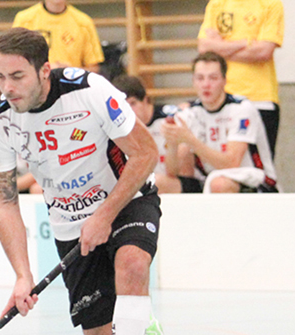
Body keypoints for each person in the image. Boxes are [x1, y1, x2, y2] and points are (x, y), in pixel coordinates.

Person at [0, 28, 165, 335]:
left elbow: (146, 153)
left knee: (133, 264)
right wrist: (22, 275)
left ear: (44, 70)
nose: (7, 88)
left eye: (17, 76)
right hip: (68, 220)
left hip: (126, 196)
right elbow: (5, 202)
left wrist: (104, 215)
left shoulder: (90, 92)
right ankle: (139, 317)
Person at [161, 52, 277, 194]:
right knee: (160, 183)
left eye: (213, 78)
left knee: (219, 184)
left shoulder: (241, 109)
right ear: (193, 81)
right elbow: (173, 172)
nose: (206, 84)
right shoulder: (190, 113)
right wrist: (172, 142)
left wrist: (190, 140)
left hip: (254, 180)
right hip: (209, 179)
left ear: (224, 80)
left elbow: (232, 163)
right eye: (200, 78)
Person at [197, 0, 284, 157]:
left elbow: (264, 52)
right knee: (224, 162)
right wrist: (245, 43)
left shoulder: (271, 4)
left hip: (259, 99)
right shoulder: (217, 4)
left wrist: (221, 46)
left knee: (259, 166)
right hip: (223, 100)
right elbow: (204, 48)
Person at [111, 74, 195, 194]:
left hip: (182, 182)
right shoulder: (120, 127)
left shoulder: (170, 119)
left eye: (133, 104)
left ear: (146, 100)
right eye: (124, 106)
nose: (129, 110)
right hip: (150, 182)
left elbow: (178, 171)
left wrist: (172, 145)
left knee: (155, 182)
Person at [12, 0, 104, 73]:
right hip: (35, 85)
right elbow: (13, 62)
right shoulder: (24, 20)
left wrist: (70, 71)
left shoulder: (84, 23)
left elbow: (94, 68)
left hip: (70, 85)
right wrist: (44, 69)